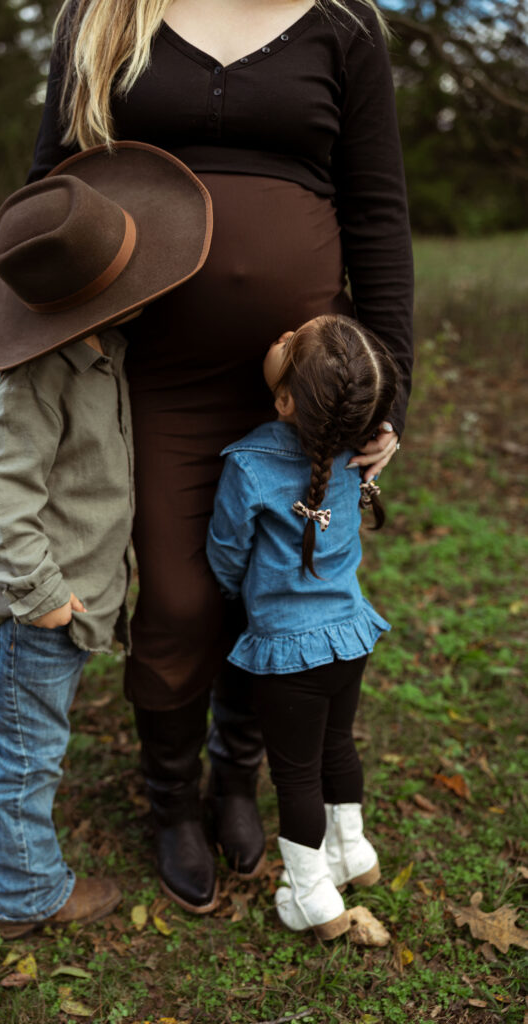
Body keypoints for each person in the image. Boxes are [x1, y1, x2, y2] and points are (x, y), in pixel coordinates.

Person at [0, 0, 414, 914]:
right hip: (153, 371)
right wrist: (13, 340)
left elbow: (376, 208)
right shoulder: (100, 14)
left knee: (279, 586)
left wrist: (390, 384)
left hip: (301, 382)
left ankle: (236, 771)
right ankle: (171, 797)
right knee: (180, 597)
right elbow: (49, 182)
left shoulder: (344, 25)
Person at [0, 142, 213, 937]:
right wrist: (46, 598)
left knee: (8, 724)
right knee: (31, 755)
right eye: (136, 283)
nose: (148, 293)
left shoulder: (103, 350)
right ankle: (28, 892)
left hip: (69, 598)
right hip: (40, 603)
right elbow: (7, 494)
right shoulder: (40, 379)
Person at [207, 313, 398, 938]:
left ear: (286, 399)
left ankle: (311, 896)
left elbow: (227, 551)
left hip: (288, 653)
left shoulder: (249, 463)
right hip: (350, 635)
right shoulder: (354, 450)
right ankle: (354, 853)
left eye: (290, 344)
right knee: (338, 746)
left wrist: (232, 592)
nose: (282, 334)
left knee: (294, 775)